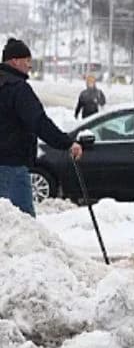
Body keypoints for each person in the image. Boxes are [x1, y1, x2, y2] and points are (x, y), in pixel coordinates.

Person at [0, 38, 82, 215]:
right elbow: (38, 122)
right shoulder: (18, 89)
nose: (30, 66)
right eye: (27, 60)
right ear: (15, 61)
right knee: (23, 222)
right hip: (11, 165)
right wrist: (67, 143)